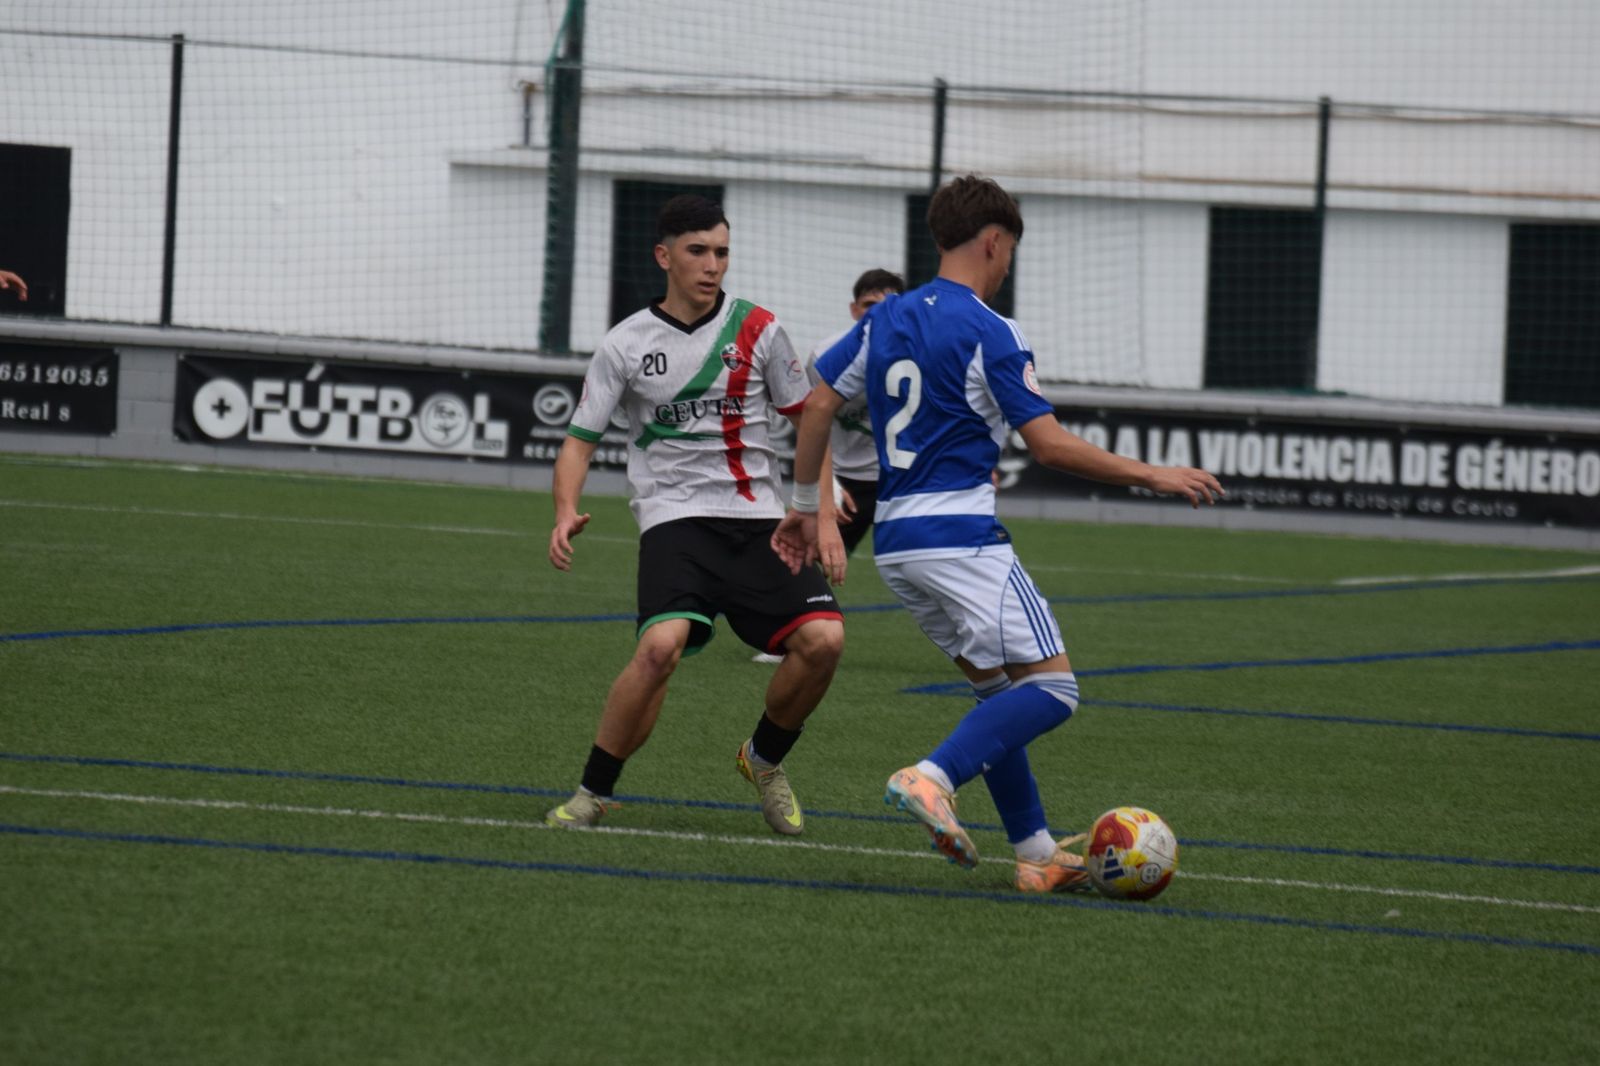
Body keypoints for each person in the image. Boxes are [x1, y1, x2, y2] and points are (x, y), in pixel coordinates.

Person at [773, 175, 1223, 891]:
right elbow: (1048, 446)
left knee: (999, 695)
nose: (1008, 264)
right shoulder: (991, 328)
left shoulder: (883, 319)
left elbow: (819, 400)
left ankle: (1038, 854)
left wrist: (808, 503)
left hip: (898, 543)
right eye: (1009, 249)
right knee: (1055, 691)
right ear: (993, 240)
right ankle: (932, 777)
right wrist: (1152, 474)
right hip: (962, 538)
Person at [546, 194, 846, 837]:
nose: (713, 265)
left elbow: (808, 423)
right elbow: (578, 439)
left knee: (824, 641)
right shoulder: (625, 344)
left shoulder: (759, 329)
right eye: (698, 252)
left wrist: (820, 512)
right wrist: (565, 509)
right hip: (675, 520)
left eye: (722, 252)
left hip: (759, 520)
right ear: (664, 256)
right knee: (659, 648)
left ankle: (763, 760)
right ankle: (592, 793)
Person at [750, 267, 903, 665]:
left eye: (887, 306)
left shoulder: (921, 351)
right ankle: (791, 634)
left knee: (927, 555)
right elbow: (811, 421)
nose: (876, 314)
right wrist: (827, 484)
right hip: (842, 476)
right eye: (869, 305)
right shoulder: (828, 354)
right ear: (854, 310)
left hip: (898, 477)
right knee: (809, 552)